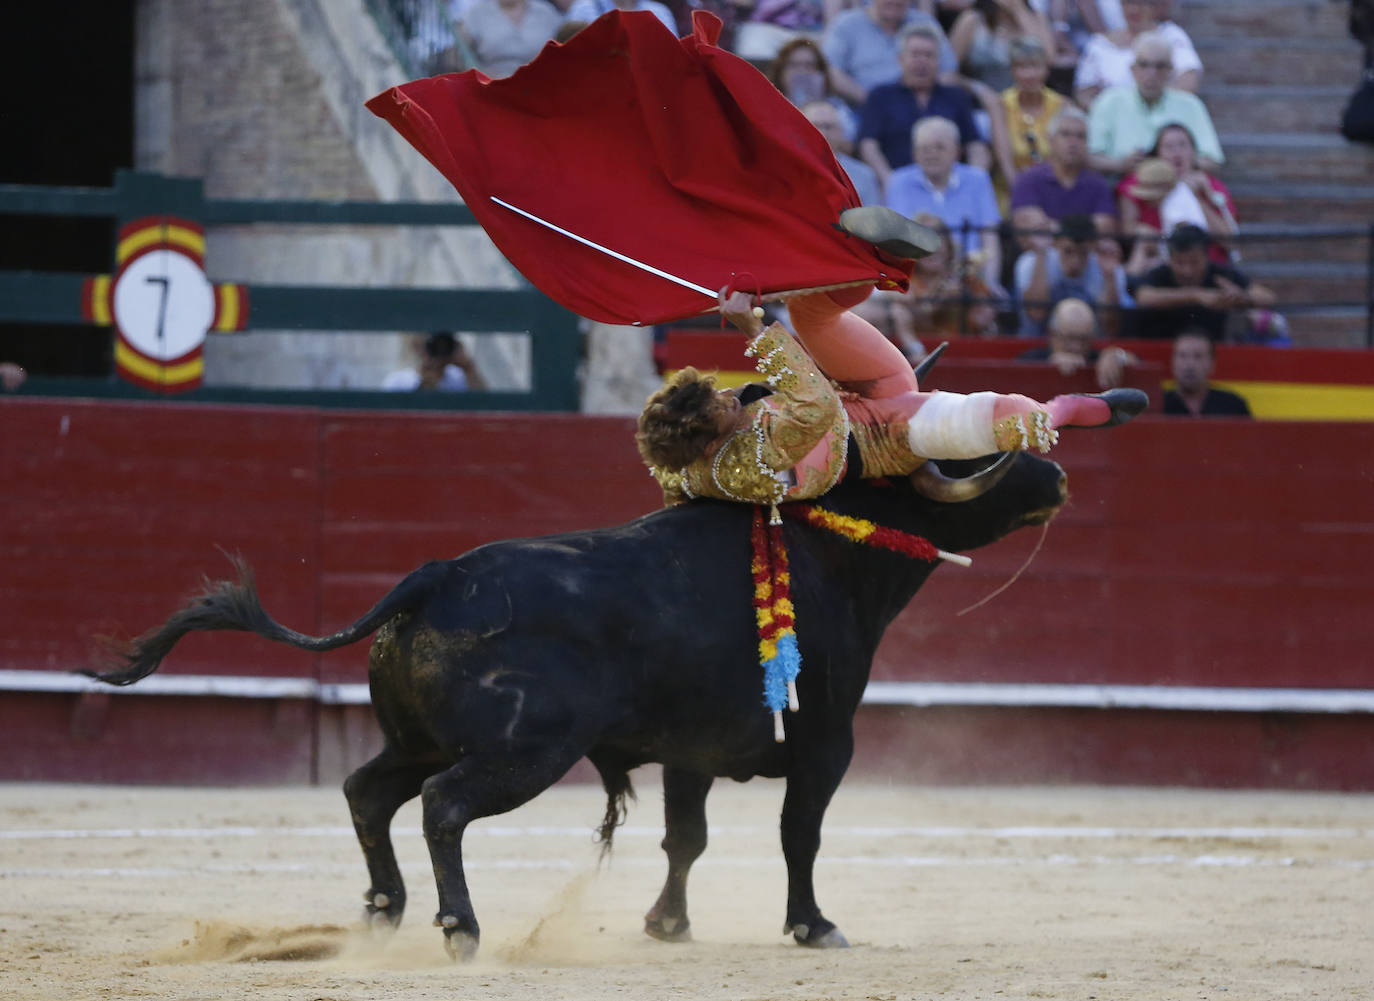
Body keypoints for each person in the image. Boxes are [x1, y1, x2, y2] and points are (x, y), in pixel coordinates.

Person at [636, 223, 1147, 510]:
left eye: (713, 393)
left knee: (811, 309)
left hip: (853, 387)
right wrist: (752, 328)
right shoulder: (755, 458)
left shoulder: (682, 460)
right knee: (1014, 420)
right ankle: (1067, 409)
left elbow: (668, 478)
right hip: (889, 439)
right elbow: (812, 406)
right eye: (718, 410)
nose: (726, 397)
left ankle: (876, 254)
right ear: (709, 444)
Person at [856, 24, 986, 188]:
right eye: (915, 55)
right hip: (897, 185)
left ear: (938, 60)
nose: (922, 61)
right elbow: (868, 145)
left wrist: (974, 181)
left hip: (950, 188)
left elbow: (975, 145)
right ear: (901, 59)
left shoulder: (956, 96)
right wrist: (890, 181)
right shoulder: (880, 96)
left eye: (929, 55)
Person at [885, 116, 1002, 287]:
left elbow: (990, 237)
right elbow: (896, 243)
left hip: (968, 278)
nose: (931, 154)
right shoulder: (898, 181)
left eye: (939, 147)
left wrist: (990, 283)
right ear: (914, 153)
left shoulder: (978, 179)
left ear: (957, 150)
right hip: (918, 279)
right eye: (924, 149)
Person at [1086, 31, 1222, 176]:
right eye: (1144, 65)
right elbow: (1088, 156)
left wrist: (1177, 162)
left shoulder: (1190, 105)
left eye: (1160, 66)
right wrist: (1120, 164)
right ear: (1133, 69)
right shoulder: (1108, 102)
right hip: (1124, 185)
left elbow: (1213, 160)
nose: (1151, 73)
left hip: (1179, 185)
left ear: (1170, 71)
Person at [870, 211, 1001, 354]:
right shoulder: (901, 276)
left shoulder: (966, 276)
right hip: (910, 354)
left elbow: (984, 318)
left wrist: (966, 300)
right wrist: (937, 302)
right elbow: (898, 312)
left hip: (961, 352)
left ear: (948, 245)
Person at [1130, 224, 1275, 340]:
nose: (1187, 270)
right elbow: (1143, 297)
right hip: (1162, 350)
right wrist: (1197, 296)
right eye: (1179, 262)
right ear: (1170, 259)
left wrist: (1240, 297)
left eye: (1194, 262)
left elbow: (1267, 297)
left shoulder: (1221, 274)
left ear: (1206, 257)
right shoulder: (1160, 273)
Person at [1118, 123, 1236, 257]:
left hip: (1209, 263)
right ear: (1157, 154)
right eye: (1169, 147)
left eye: (1183, 145)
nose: (1177, 153)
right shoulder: (1139, 182)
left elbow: (1230, 242)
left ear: (1194, 152)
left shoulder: (1211, 185)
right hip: (1159, 262)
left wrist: (1196, 197)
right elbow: (1128, 231)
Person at [823, 0, 959, 107]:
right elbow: (831, 71)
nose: (895, 1)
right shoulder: (846, 24)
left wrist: (923, 101)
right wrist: (875, 102)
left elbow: (948, 71)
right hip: (861, 108)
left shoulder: (925, 23)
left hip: (920, 108)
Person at [1013, 213, 1131, 335]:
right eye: (1068, 251)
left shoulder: (1110, 267)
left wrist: (1109, 277)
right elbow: (1036, 313)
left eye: (1083, 253)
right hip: (1038, 344)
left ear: (1093, 246)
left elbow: (1110, 327)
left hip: (1089, 347)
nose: (1075, 262)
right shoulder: (1031, 261)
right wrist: (1041, 254)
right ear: (1056, 243)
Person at [1009, 106, 1117, 240]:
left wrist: (1054, 227)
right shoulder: (1029, 179)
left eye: (1080, 136)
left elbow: (1106, 226)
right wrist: (1082, 230)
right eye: (1065, 134)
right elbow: (1028, 224)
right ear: (1050, 139)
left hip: (1086, 255)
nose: (1073, 142)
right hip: (1043, 254)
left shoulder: (1097, 183)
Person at [1072, 0, 1200, 107]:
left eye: (1141, 3)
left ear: (1154, 6)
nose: (1133, 10)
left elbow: (1188, 80)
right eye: (1128, 3)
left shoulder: (1172, 36)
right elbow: (1084, 93)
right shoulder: (1099, 44)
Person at [1017, 297, 1136, 389]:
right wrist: (1048, 367)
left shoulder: (1098, 357)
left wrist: (1117, 356)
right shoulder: (1031, 359)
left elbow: (1140, 364)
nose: (1076, 346)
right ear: (1052, 335)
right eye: (1069, 338)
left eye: (1083, 339)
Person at [949, 0, 1055, 93]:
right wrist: (977, 89)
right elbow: (947, 71)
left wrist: (1019, 10)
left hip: (1024, 102)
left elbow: (1049, 58)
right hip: (979, 105)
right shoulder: (972, 19)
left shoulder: (1037, 17)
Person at [770, 38, 860, 145]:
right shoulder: (768, 106)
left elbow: (849, 145)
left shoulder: (838, 108)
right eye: (793, 65)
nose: (801, 71)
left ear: (821, 72)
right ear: (780, 72)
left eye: (809, 65)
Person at [999, 35, 1064, 178]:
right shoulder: (1001, 105)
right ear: (1012, 70)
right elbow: (1004, 160)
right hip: (1011, 188)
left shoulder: (1061, 105)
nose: (1029, 74)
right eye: (1021, 67)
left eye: (1035, 66)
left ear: (1046, 69)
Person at [802, 101, 882, 206]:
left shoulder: (864, 175)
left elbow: (872, 219)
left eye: (828, 127)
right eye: (814, 125)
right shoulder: (787, 169)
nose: (822, 133)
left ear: (841, 132)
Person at [459, 0, 563, 78]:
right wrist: (482, 75)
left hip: (540, 83)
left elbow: (561, 51)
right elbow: (462, 57)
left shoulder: (546, 12)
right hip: (492, 87)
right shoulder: (475, 14)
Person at [1162, 328, 1251, 416]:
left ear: (1212, 363)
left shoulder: (1234, 406)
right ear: (1172, 361)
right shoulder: (1158, 406)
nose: (1189, 365)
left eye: (1198, 356)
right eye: (1182, 356)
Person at [382, 332, 488, 391]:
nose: (439, 351)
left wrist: (468, 367)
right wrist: (426, 384)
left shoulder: (461, 378)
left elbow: (485, 405)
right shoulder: (397, 382)